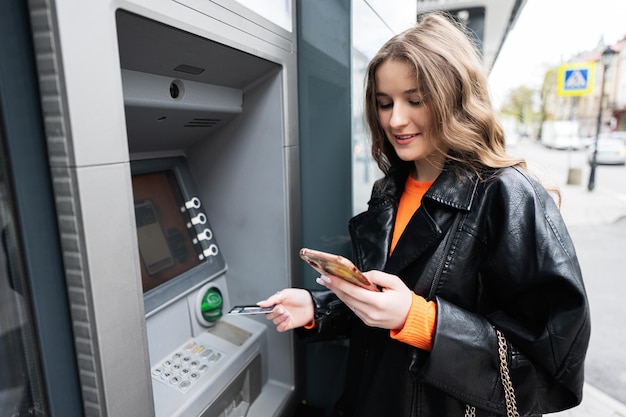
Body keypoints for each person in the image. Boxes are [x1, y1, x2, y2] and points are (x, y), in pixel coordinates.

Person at [259, 12, 590, 417]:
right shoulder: (390, 189)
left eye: (415, 100)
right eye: (385, 103)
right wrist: (319, 308)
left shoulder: (509, 196)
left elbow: (554, 365)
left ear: (455, 97)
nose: (396, 119)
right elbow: (385, 302)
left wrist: (423, 321)